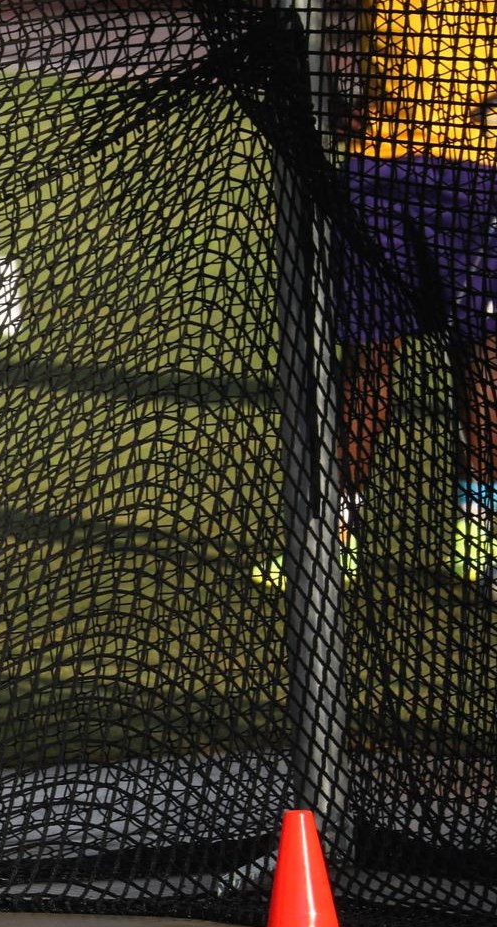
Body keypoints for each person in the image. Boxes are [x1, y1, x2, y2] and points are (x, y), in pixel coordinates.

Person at [251, 0, 497, 596]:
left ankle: (481, 533)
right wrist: (335, 102)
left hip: (473, 176)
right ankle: (334, 536)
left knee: (483, 359)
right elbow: (328, 30)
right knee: (365, 362)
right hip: (378, 174)